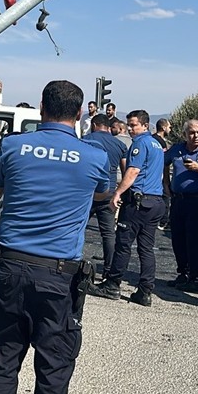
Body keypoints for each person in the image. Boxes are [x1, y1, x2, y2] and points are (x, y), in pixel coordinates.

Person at [0, 80, 108, 394]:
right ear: (80, 113)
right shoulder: (95, 156)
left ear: (41, 107)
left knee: (5, 359)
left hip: (8, 268)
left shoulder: (13, 145)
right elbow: (102, 194)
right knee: (53, 369)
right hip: (57, 277)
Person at [90, 110, 166, 307]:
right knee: (146, 248)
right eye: (129, 125)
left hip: (138, 201)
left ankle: (112, 284)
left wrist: (117, 193)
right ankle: (145, 290)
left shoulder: (140, 144)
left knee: (123, 244)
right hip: (155, 201)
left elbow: (133, 171)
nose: (130, 129)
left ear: (145, 126)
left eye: (133, 125)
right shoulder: (157, 144)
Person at [164, 119, 198, 291]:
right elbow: (164, 162)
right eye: (192, 132)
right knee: (178, 238)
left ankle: (197, 278)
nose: (196, 136)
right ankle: (183, 273)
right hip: (178, 200)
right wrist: (166, 183)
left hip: (197, 201)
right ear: (185, 134)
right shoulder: (177, 150)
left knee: (195, 240)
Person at [81, 113, 126, 277]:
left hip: (88, 192)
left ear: (94, 125)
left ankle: (73, 262)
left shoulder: (85, 140)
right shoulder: (119, 145)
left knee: (78, 227)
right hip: (109, 191)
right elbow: (125, 170)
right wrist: (119, 192)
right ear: (108, 127)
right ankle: (108, 270)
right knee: (108, 233)